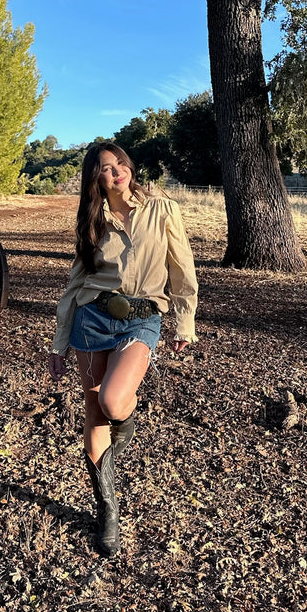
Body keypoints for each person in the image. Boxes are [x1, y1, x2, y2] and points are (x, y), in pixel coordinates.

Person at [48, 141, 198, 556]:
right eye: (104, 169)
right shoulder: (92, 220)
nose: (115, 173)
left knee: (115, 402)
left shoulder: (162, 209)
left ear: (128, 167)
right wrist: (59, 342)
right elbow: (76, 282)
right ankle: (108, 510)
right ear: (94, 178)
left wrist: (184, 321)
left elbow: (181, 268)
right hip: (91, 320)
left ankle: (126, 424)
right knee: (94, 409)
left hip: (143, 317)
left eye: (119, 164)